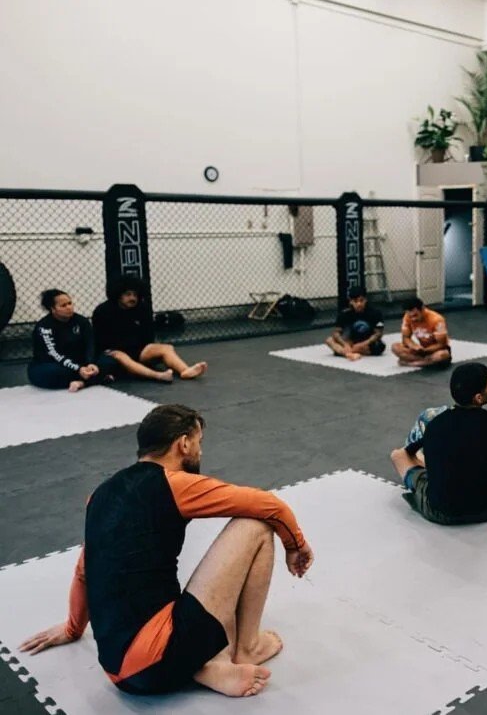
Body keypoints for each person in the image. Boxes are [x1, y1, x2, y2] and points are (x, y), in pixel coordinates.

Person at [19, 404, 314, 697]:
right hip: (158, 659)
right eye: (199, 443)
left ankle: (206, 665)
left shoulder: (100, 495)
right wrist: (296, 545)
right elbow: (269, 505)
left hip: (116, 671)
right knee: (256, 525)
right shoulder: (176, 484)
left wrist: (73, 628)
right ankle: (247, 647)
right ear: (183, 444)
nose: (200, 451)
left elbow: (85, 572)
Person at [389, 363, 487, 525]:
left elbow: (409, 451)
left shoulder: (433, 423)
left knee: (398, 455)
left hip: (437, 511)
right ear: (478, 398)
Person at [92, 275, 207, 382]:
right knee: (121, 356)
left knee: (166, 348)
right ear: (119, 295)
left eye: (135, 295)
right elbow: (100, 340)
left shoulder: (142, 308)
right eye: (128, 294)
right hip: (115, 352)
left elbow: (147, 337)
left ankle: (185, 370)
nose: (132, 298)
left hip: (137, 350)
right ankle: (158, 376)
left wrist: (148, 350)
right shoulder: (103, 311)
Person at [28, 289, 119, 392]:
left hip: (81, 362)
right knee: (45, 374)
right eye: (63, 306)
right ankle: (97, 378)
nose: (69, 307)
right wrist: (78, 369)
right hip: (54, 363)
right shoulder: (44, 327)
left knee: (110, 360)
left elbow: (90, 344)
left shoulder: (82, 321)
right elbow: (54, 353)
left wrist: (90, 363)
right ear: (52, 309)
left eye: (70, 303)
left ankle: (82, 382)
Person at [326, 285, 385, 360]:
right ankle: (349, 353)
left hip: (367, 341)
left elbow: (378, 333)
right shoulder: (344, 314)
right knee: (329, 340)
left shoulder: (375, 313)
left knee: (379, 346)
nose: (359, 304)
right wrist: (345, 344)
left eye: (361, 300)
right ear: (351, 301)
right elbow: (336, 333)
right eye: (356, 301)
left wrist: (363, 344)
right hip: (351, 340)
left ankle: (345, 352)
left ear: (366, 300)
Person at [391, 297, 451, 367]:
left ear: (422, 309)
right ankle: (426, 362)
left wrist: (426, 350)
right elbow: (405, 338)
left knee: (442, 355)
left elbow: (441, 344)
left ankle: (414, 363)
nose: (413, 319)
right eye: (410, 316)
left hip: (437, 349)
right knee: (395, 347)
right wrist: (414, 346)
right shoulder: (407, 317)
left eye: (415, 315)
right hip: (421, 349)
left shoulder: (437, 319)